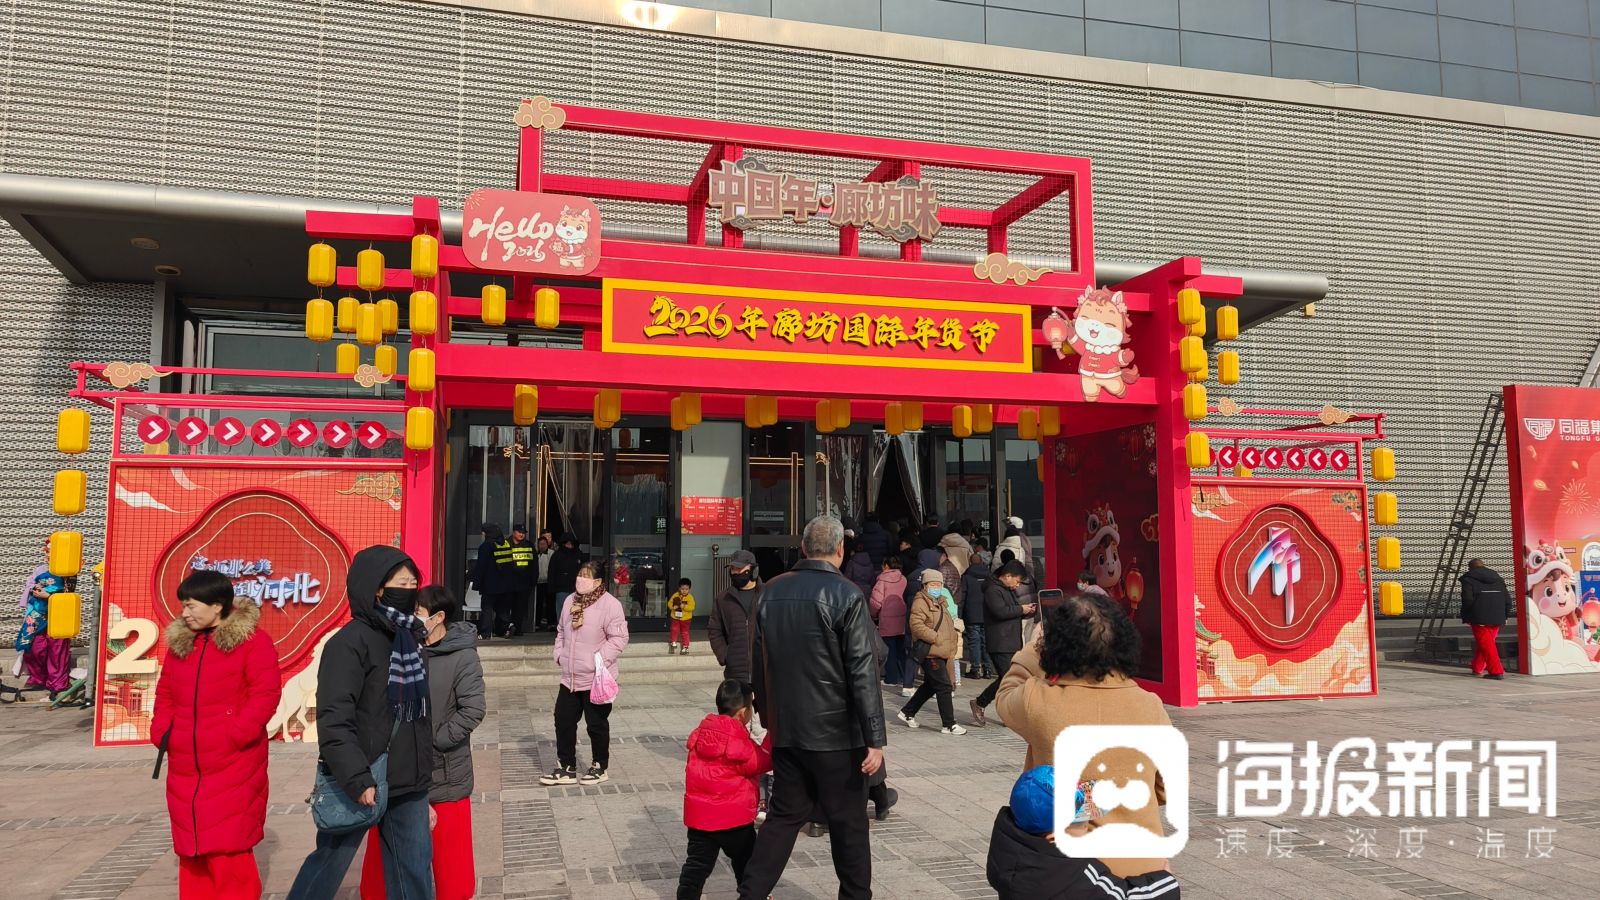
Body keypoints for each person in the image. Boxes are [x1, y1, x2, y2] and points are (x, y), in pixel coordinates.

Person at [740, 515, 885, 900]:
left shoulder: (770, 591)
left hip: (788, 730)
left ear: (803, 548)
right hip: (838, 735)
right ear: (840, 549)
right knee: (849, 825)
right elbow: (862, 670)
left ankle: (751, 893)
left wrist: (769, 717)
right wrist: (875, 738)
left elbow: (758, 662)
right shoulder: (847, 594)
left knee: (783, 818)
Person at [996, 593, 1174, 884]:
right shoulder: (1150, 705)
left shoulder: (1037, 700)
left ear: (1056, 645)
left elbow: (1005, 694)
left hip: (1068, 869)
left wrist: (1034, 648)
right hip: (1144, 865)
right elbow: (1167, 787)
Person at [288, 546, 434, 900]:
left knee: (414, 874)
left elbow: (417, 715)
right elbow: (334, 717)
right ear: (377, 589)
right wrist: (356, 778)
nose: (410, 590)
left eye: (413, 584)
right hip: (363, 777)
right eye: (401, 583)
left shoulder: (409, 638)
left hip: (408, 780)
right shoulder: (349, 643)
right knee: (329, 864)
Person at [151, 570, 282, 899]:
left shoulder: (253, 642)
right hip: (185, 762)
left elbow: (265, 693)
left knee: (228, 848)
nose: (185, 613)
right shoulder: (181, 645)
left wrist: (236, 733)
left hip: (234, 761)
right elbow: (165, 693)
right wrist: (164, 731)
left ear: (217, 605)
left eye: (191, 605)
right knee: (192, 847)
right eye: (183, 605)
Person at [358, 585, 486, 900]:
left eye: (417, 612)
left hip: (445, 775)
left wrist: (435, 740)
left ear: (438, 617)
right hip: (398, 772)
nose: (410, 617)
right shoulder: (402, 648)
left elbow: (473, 710)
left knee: (452, 874)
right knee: (379, 874)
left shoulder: (463, 656)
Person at [986, 766, 1179, 900]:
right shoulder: (1073, 873)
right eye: (1083, 823)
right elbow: (1121, 896)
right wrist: (1164, 882)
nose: (1089, 824)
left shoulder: (1010, 849)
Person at [677, 680, 773, 900]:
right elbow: (763, 762)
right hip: (734, 822)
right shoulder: (739, 742)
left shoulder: (700, 733)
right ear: (742, 712)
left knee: (695, 868)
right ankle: (754, 895)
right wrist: (771, 736)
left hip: (700, 821)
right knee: (746, 864)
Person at [540, 561, 629, 786]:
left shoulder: (610, 605)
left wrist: (598, 660)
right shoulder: (570, 600)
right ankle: (566, 767)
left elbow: (619, 638)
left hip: (595, 678)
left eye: (586, 575)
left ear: (598, 581)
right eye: (580, 574)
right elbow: (561, 631)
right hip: (570, 677)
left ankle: (600, 766)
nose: (581, 579)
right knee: (563, 720)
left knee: (596, 724)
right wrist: (559, 655)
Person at [897, 568, 965, 735]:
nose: (936, 587)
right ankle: (949, 724)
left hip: (941, 650)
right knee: (944, 686)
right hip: (931, 651)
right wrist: (935, 637)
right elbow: (916, 626)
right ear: (924, 585)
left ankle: (907, 712)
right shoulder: (920, 601)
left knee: (930, 685)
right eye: (932, 584)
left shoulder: (941, 601)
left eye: (938, 584)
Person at [970, 560, 1035, 728]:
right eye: (1017, 581)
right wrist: (1021, 609)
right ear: (1007, 576)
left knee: (1009, 679)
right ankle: (984, 704)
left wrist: (1025, 610)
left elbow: (1010, 611)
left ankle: (987, 705)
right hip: (1000, 642)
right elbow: (1000, 612)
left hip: (1010, 641)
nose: (1017, 585)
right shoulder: (993, 590)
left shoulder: (1006, 589)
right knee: (1008, 679)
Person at [708, 549, 763, 708]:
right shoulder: (723, 599)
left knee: (765, 721)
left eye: (739, 568)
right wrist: (725, 655)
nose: (735, 572)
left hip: (764, 671)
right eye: (732, 569)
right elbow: (714, 630)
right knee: (736, 718)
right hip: (735, 672)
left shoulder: (768, 595)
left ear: (753, 570)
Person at [1460, 558, 1514, 679]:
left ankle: (1496, 671)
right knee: (1486, 643)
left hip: (1479, 617)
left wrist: (1467, 616)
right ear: (1484, 565)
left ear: (1470, 568)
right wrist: (1505, 615)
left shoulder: (1468, 579)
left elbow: (1467, 600)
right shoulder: (1498, 579)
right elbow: (1507, 600)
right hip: (1497, 616)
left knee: (1487, 645)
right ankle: (1477, 667)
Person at [19, 573, 71, 695]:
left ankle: (57, 683)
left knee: (57, 650)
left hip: (59, 613)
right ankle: (38, 678)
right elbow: (30, 585)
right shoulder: (40, 569)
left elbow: (69, 594)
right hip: (38, 614)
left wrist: (49, 596)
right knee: (34, 647)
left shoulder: (69, 571)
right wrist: (34, 588)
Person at [869, 556, 910, 693]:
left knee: (889, 649)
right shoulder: (903, 579)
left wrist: (873, 615)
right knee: (901, 649)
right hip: (901, 617)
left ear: (886, 565)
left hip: (887, 619)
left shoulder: (882, 580)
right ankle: (904, 677)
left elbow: (876, 601)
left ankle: (891, 679)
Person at [471, 524, 518, 640]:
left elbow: (481, 567)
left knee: (487, 608)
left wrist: (477, 584)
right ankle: (507, 627)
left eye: (483, 533)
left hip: (490, 584)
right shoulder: (506, 544)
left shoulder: (486, 546)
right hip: (506, 585)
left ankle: (485, 633)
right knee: (502, 609)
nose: (482, 535)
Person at [962, 550, 993, 680]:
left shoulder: (966, 577)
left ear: (970, 562)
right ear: (981, 562)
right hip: (987, 613)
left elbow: (963, 596)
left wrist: (960, 614)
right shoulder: (989, 576)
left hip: (972, 614)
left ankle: (975, 670)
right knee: (986, 642)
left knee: (974, 642)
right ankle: (988, 670)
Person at [507, 523, 536, 636]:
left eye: (523, 533)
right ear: (513, 532)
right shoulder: (506, 544)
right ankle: (506, 627)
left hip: (524, 583)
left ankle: (517, 628)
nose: (522, 534)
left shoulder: (529, 546)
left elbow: (534, 565)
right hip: (508, 583)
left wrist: (533, 580)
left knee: (520, 607)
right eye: (519, 532)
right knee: (506, 607)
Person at [547, 533, 585, 615]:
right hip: (562, 588)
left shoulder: (578, 554)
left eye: (571, 543)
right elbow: (552, 572)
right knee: (563, 611)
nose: (570, 545)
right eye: (567, 543)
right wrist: (551, 588)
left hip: (576, 588)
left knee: (575, 612)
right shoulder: (557, 555)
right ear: (563, 544)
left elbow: (584, 570)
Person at [669, 578, 696, 655]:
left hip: (686, 619)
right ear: (679, 588)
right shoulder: (675, 595)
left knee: (685, 632)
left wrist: (684, 606)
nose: (684, 591)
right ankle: (673, 642)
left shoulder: (690, 597)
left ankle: (685, 646)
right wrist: (673, 607)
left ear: (689, 589)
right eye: (682, 589)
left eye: (686, 589)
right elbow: (670, 603)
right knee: (674, 629)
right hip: (675, 617)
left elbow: (692, 607)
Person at [535, 534, 555, 630]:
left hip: (549, 582)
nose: (542, 546)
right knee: (538, 603)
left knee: (550, 603)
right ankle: (537, 623)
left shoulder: (552, 553)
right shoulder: (536, 554)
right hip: (538, 583)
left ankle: (551, 623)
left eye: (544, 544)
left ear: (547, 545)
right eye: (540, 544)